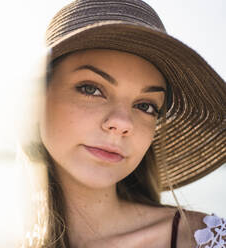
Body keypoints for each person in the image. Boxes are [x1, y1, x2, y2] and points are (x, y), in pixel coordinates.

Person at [18, 0, 226, 247]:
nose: (121, 122)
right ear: (39, 100)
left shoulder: (205, 240)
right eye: (91, 89)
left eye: (145, 106)